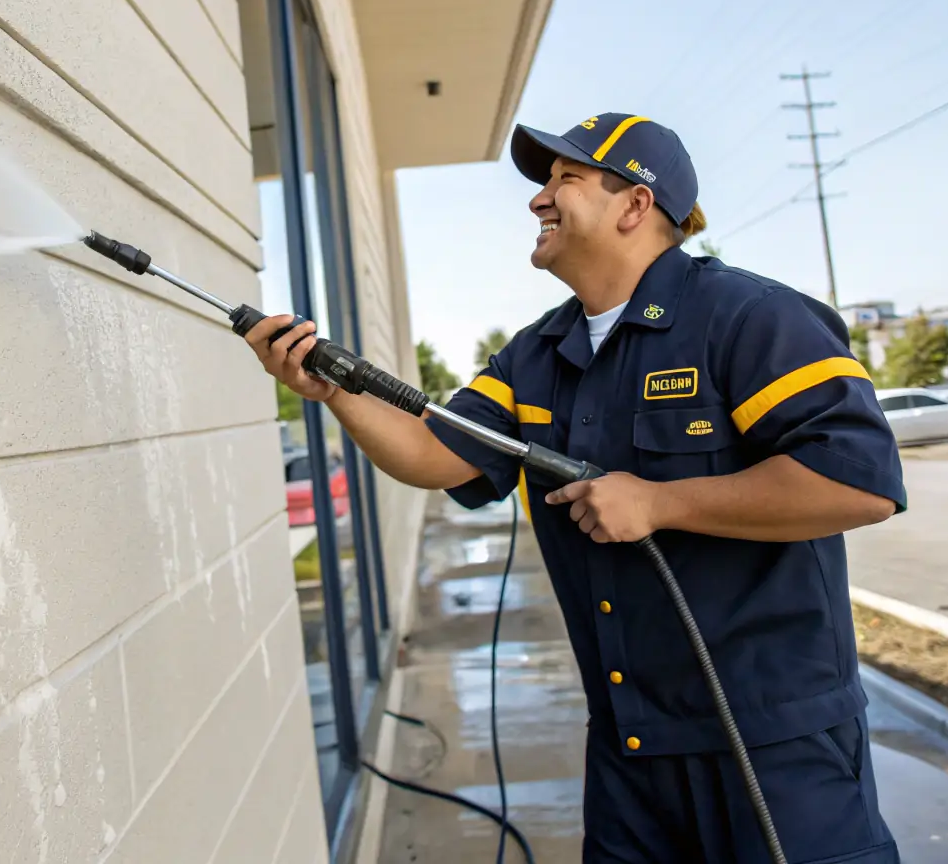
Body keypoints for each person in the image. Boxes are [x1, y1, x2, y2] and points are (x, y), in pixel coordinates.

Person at [244, 112, 905, 863]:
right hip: (627, 745)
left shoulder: (752, 318)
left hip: (773, 745)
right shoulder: (538, 353)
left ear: (635, 206)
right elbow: (436, 455)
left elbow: (857, 484)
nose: (538, 200)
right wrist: (331, 391)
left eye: (566, 180)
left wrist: (659, 502)